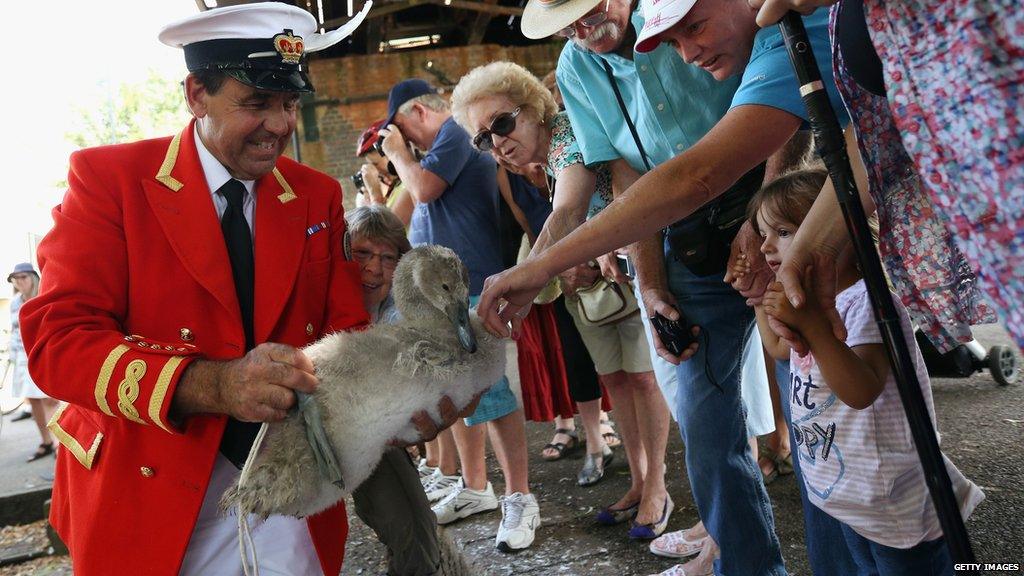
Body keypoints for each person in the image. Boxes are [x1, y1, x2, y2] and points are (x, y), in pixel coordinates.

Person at [18, 5, 457, 574]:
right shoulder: (109, 181)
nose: (280, 124)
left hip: (285, 488)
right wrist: (211, 385)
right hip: (148, 492)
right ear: (196, 93)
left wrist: (393, 397)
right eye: (256, 103)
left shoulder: (314, 196)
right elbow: (58, 342)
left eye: (290, 103)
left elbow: (345, 331)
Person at [479, 1, 855, 574]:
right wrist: (651, 285)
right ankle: (745, 564)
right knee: (706, 425)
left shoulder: (710, 15)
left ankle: (847, 563)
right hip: (681, 233)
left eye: (588, 9)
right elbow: (632, 178)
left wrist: (764, 220)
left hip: (777, 202)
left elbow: (778, 106)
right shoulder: (581, 66)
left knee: (817, 407)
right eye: (567, 24)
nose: (583, 30)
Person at [450, 62, 672, 528]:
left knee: (648, 381)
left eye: (503, 124)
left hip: (645, 272)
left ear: (533, 109)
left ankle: (657, 487)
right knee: (617, 382)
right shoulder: (550, 157)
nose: (498, 142)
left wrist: (523, 283)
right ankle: (638, 479)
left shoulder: (568, 132)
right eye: (483, 138)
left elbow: (569, 211)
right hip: (608, 280)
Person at [746, 168, 984, 576]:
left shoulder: (866, 303)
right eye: (764, 233)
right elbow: (779, 350)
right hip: (851, 498)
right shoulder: (812, 302)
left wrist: (817, 327)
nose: (767, 245)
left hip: (892, 502)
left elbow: (862, 389)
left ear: (839, 233)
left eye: (784, 232)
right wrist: (758, 297)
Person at [379, 78, 541, 551]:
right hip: (447, 292)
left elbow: (424, 192)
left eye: (400, 125)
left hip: (473, 286)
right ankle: (475, 487)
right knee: (463, 396)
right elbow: (400, 214)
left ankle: (520, 496)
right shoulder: (432, 151)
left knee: (491, 394)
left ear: (420, 112)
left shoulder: (450, 132)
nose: (401, 137)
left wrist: (397, 156)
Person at [345, 205, 442, 576]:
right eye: (363, 254)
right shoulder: (313, 295)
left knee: (416, 534)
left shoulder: (399, 310)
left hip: (371, 433)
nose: (374, 268)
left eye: (388, 258)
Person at [7, 263, 60, 463]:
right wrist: (12, 358)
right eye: (15, 278)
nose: (19, 282)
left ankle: (57, 443)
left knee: (49, 400)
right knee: (34, 401)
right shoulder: (14, 303)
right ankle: (46, 441)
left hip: (43, 355)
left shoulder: (42, 297)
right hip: (22, 358)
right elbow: (14, 332)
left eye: (23, 277)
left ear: (33, 277)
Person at [355, 119, 415, 227]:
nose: (375, 171)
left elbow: (386, 231)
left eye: (376, 164)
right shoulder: (396, 186)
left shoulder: (410, 184)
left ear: (390, 153)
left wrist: (374, 191)